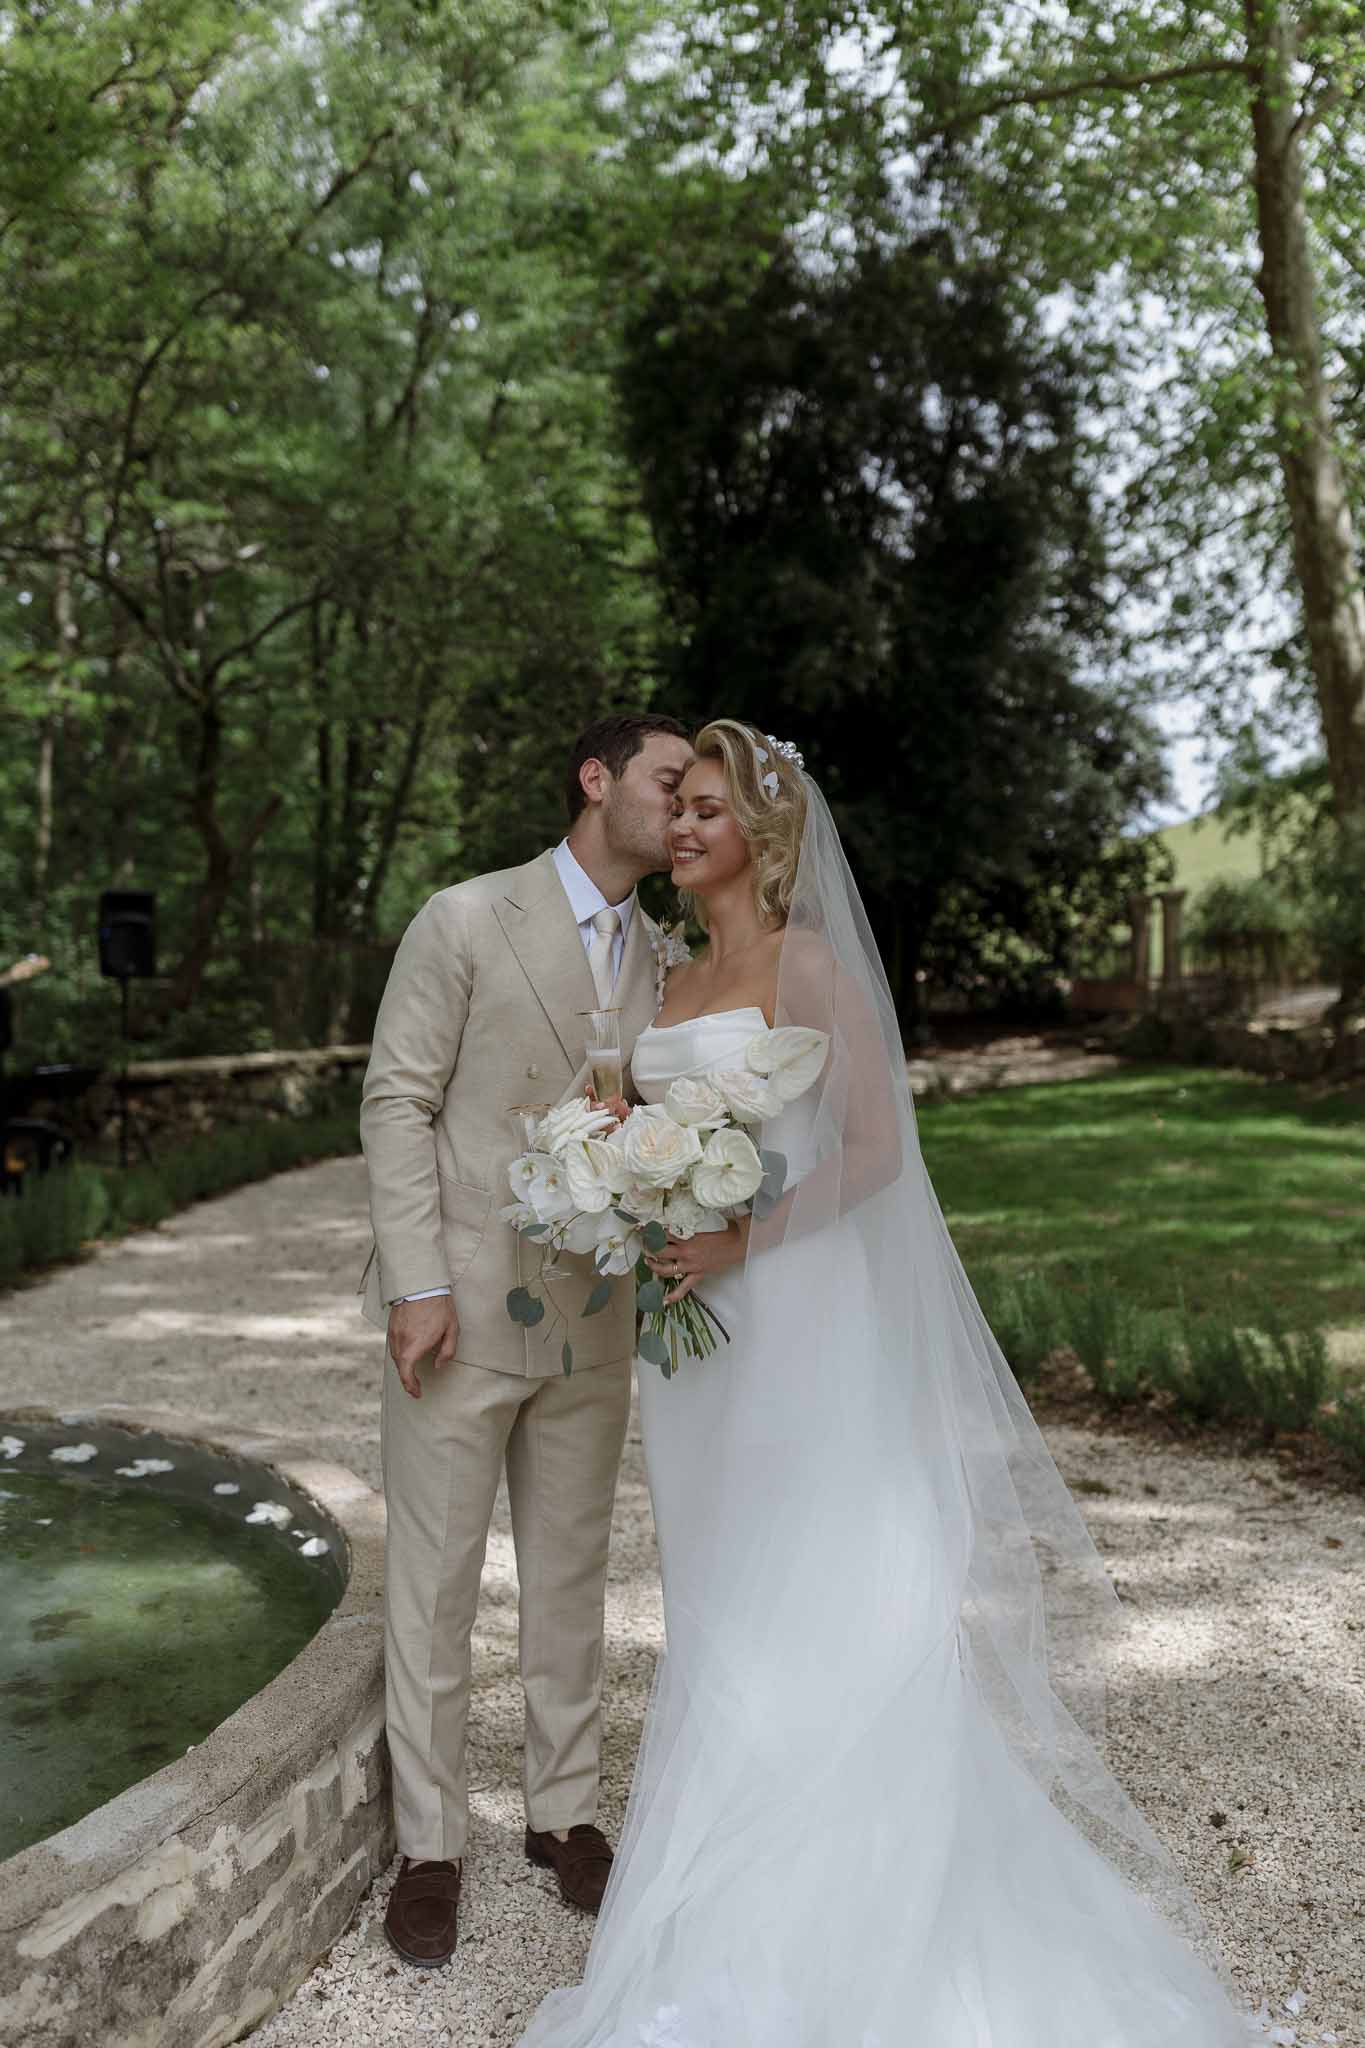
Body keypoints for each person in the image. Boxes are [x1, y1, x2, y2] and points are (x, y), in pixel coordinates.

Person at [516, 719, 1251, 2047]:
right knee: (721, 1595)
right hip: (695, 1350)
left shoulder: (808, 967)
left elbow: (871, 1150)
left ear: (764, 831)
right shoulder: (667, 983)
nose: (678, 827)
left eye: (704, 809)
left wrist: (745, 1232)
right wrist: (615, 1185)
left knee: (823, 1581)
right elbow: (633, 1125)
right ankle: (719, 1892)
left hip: (797, 1315)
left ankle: (841, 1918)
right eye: (669, 805)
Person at [359, 712, 694, 1969]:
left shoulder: (664, 953)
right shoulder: (465, 916)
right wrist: (415, 1280)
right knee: (435, 1584)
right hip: (460, 1307)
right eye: (669, 780)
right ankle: (432, 1840)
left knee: (570, 1574)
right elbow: (397, 1098)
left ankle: (563, 1814)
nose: (685, 805)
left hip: (595, 1316)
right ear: (596, 777)